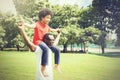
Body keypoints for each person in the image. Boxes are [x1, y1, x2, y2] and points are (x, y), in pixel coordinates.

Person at [18, 8, 61, 77]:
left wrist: (57, 30)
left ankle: (56, 65)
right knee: (46, 49)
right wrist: (23, 24)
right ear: (42, 17)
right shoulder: (37, 24)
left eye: (50, 18)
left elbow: (53, 29)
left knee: (57, 49)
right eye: (47, 18)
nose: (49, 20)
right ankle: (43, 69)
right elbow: (30, 26)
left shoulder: (47, 26)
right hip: (38, 42)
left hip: (45, 43)